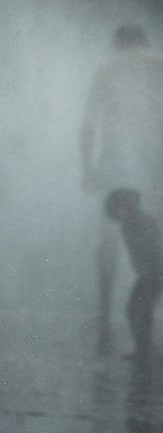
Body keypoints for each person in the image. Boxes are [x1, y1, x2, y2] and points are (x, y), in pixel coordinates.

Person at [81, 24, 163, 355]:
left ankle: (104, 308)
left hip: (115, 159)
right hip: (153, 158)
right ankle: (150, 298)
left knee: (110, 236)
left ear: (117, 44)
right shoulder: (158, 65)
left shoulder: (106, 69)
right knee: (154, 230)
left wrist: (87, 167)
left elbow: (88, 123)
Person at [104, 188, 162, 366]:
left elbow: (155, 248)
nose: (120, 210)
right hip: (149, 273)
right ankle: (143, 351)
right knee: (138, 311)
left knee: (136, 310)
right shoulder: (131, 223)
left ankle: (143, 352)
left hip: (153, 272)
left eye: (122, 205)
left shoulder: (141, 222)